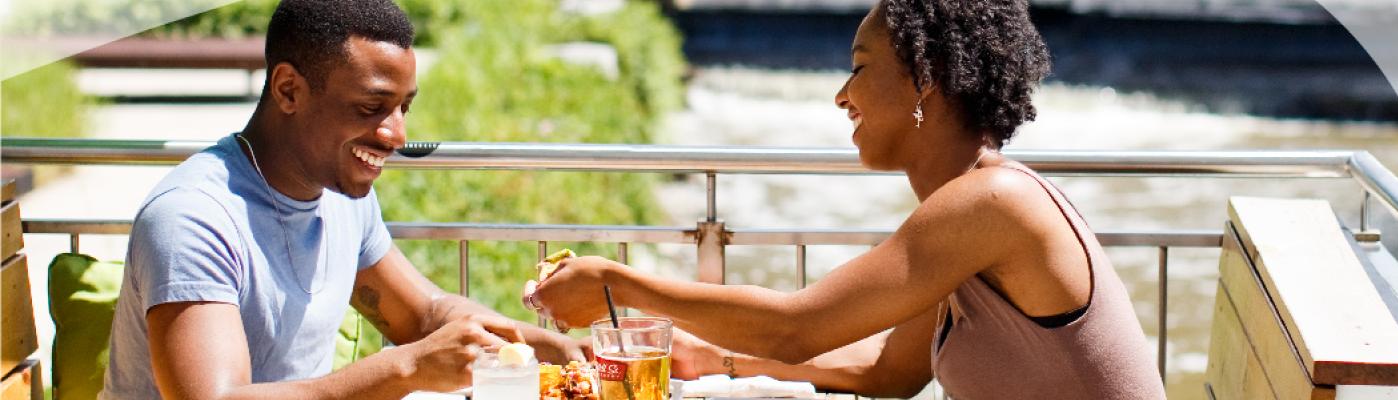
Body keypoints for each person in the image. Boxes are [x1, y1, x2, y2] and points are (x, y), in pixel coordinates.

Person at [526, 1, 1166, 398]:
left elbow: (796, 327)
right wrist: (716, 359)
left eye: (859, 66)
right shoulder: (971, 206)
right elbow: (888, 371)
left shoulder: (993, 204)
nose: (842, 94)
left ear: (924, 80)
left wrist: (618, 282)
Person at [100, 1, 584, 398]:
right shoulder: (193, 217)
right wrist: (408, 368)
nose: (396, 135)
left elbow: (423, 315)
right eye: (372, 107)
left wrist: (556, 351)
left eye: (403, 108)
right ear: (289, 89)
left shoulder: (340, 191)